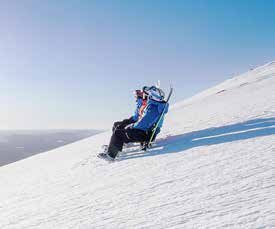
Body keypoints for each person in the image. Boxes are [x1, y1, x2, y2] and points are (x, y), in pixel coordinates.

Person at [99, 86, 169, 161]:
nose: (145, 96)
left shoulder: (153, 108)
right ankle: (115, 148)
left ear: (151, 96)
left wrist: (131, 126)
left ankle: (111, 155)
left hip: (145, 134)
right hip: (146, 132)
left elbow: (143, 124)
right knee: (119, 129)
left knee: (118, 132)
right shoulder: (155, 105)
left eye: (147, 94)